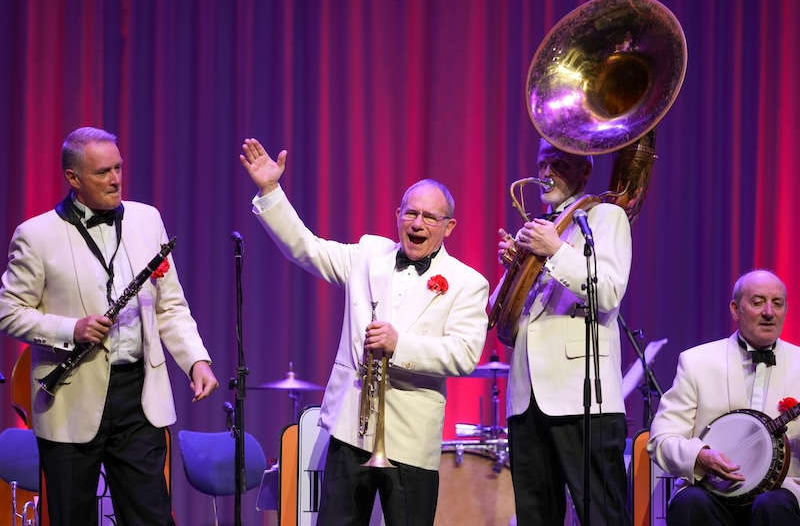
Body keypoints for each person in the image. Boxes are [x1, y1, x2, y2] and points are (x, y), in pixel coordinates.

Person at [239, 138, 489, 525]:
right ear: (398, 215)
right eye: (411, 214)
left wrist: (399, 344)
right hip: (350, 432)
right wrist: (271, 190)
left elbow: (464, 354)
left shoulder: (467, 282)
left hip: (410, 439)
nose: (417, 224)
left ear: (449, 226)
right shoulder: (369, 255)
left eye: (429, 217)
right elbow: (308, 249)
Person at [0, 127, 218, 525]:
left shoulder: (147, 220)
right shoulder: (36, 235)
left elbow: (169, 306)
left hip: (138, 395)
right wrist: (71, 329)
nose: (115, 179)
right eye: (102, 172)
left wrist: (196, 362)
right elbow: (8, 310)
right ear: (73, 178)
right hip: (69, 396)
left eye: (118, 168)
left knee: (151, 517)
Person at [493, 138, 632, 525]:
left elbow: (608, 291)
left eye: (558, 163)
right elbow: (500, 322)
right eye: (542, 164)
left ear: (585, 171)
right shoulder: (539, 230)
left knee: (601, 514)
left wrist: (554, 251)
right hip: (526, 399)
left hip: (582, 396)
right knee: (535, 516)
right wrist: (513, 269)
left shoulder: (604, 216)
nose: (546, 173)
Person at [647, 270, 800, 525]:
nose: (769, 312)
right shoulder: (697, 362)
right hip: (712, 492)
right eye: (758, 301)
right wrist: (700, 457)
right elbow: (661, 439)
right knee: (690, 503)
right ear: (735, 309)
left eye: (777, 303)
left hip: (782, 493)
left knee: (772, 505)